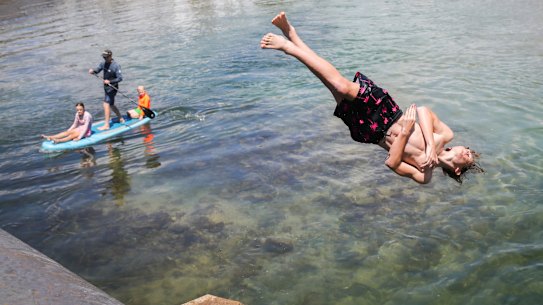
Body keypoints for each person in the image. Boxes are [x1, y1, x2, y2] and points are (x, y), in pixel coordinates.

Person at [260, 12, 483, 184]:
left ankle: (293, 36)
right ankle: (289, 47)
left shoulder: (424, 175)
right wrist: (430, 148)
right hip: (387, 112)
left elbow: (392, 163)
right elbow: (424, 112)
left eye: (469, 157)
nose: (467, 151)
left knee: (329, 82)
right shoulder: (444, 136)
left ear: (457, 169)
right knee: (341, 84)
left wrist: (405, 133)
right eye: (469, 149)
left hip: (370, 130)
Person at [88, 49, 124, 130]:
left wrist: (110, 81)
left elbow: (120, 78)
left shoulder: (116, 65)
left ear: (110, 56)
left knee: (106, 104)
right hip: (106, 87)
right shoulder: (103, 63)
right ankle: (120, 118)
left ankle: (107, 125)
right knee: (111, 104)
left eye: (106, 57)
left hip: (113, 87)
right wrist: (93, 71)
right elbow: (97, 70)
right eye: (104, 57)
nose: (105, 59)